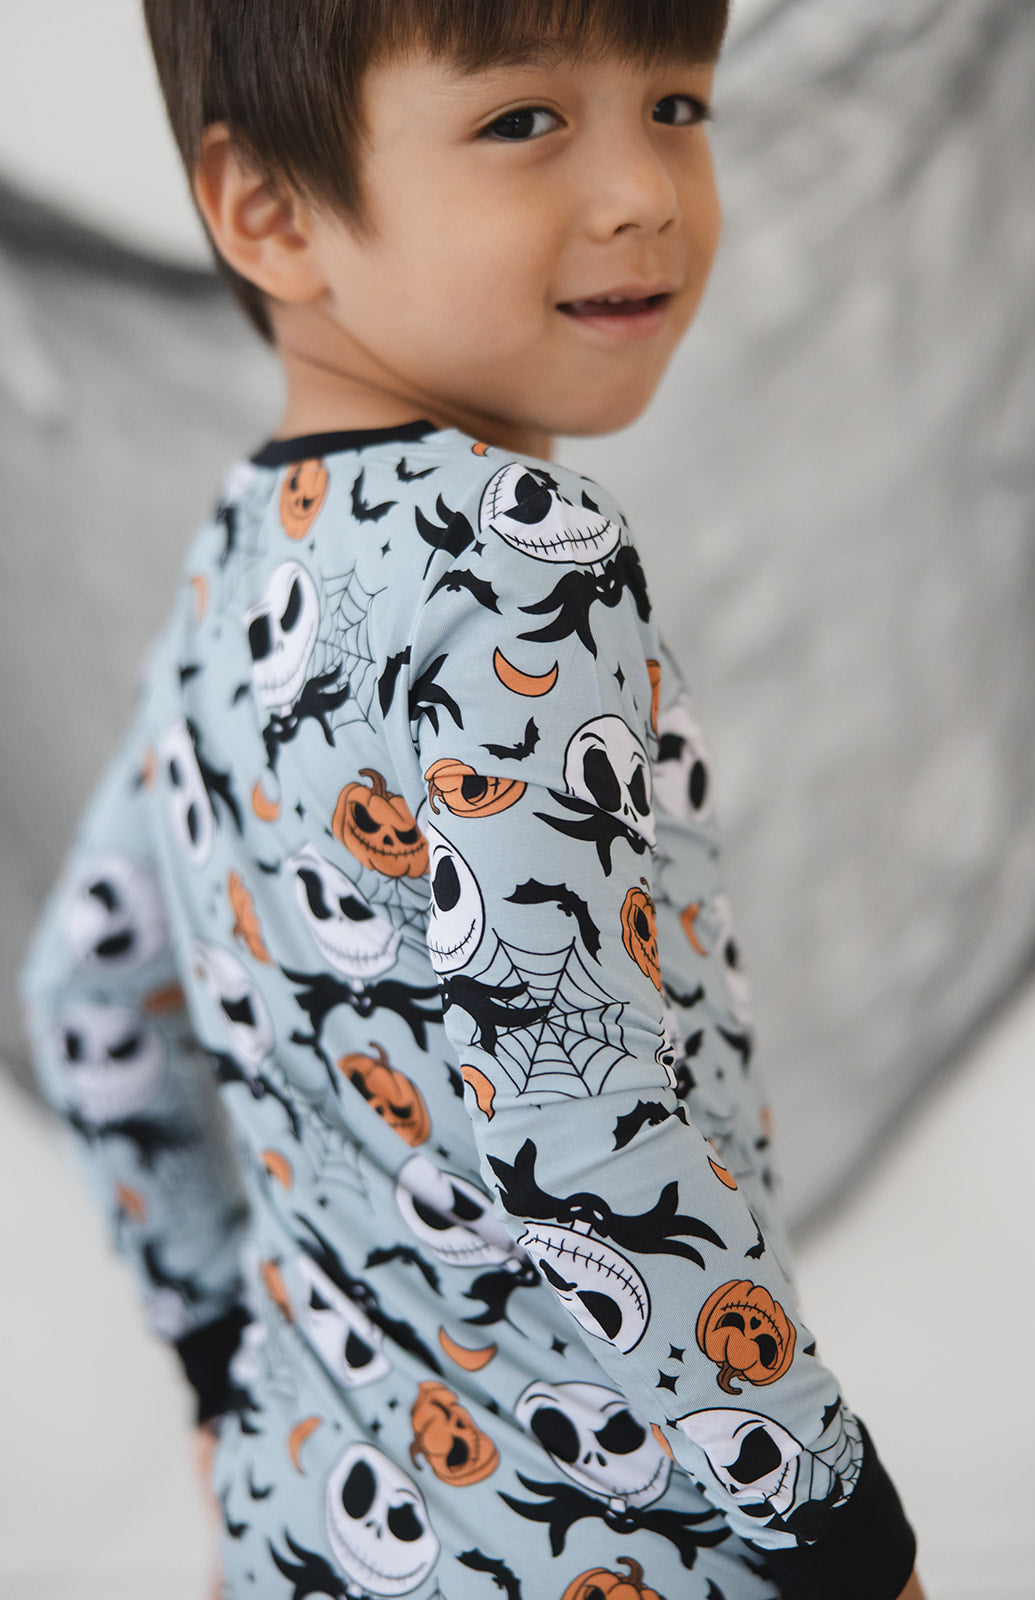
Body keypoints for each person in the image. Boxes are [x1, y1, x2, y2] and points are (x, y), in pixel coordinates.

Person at [20, 3, 926, 1597]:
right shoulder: (518, 556)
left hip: (307, 1522)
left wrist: (220, 1354)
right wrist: (838, 1529)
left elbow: (89, 990)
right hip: (616, 1548)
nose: (643, 191)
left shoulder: (241, 565)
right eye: (524, 121)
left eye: (677, 104)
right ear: (270, 211)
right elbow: (585, 1128)